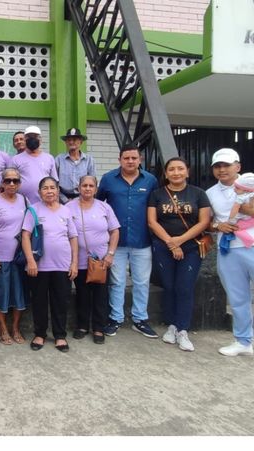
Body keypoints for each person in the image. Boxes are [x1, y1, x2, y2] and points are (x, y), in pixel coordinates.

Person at [147, 157, 211, 352]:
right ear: (166, 174)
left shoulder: (198, 194)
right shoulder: (157, 194)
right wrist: (170, 242)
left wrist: (180, 241)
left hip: (191, 248)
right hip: (163, 246)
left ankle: (183, 329)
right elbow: (152, 221)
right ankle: (171, 325)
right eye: (172, 169)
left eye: (180, 169)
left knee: (184, 287)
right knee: (169, 286)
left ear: (187, 172)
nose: (176, 173)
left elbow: (204, 222)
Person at [97, 143, 158, 338]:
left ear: (140, 160)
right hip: (116, 242)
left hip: (142, 240)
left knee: (141, 282)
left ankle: (140, 319)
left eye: (134, 158)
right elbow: (98, 205)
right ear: (120, 160)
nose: (130, 161)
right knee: (117, 282)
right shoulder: (108, 179)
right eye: (126, 158)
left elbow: (155, 206)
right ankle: (116, 318)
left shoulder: (150, 180)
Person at [206, 148, 254, 356]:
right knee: (237, 297)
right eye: (217, 166)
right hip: (228, 249)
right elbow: (207, 222)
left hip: (252, 245)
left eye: (226, 165)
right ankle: (243, 341)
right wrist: (219, 226)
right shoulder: (210, 193)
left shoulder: (251, 183)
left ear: (238, 166)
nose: (222, 170)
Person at [22, 177, 78, 351]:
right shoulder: (33, 210)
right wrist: (30, 260)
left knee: (60, 301)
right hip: (39, 266)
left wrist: (74, 263)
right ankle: (40, 334)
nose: (49, 191)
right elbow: (25, 236)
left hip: (62, 265)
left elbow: (73, 237)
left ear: (58, 190)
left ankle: (60, 336)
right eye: (45, 188)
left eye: (52, 188)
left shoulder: (66, 211)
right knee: (39, 301)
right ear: (39, 192)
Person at [67, 175, 120, 344]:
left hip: (101, 261)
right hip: (79, 260)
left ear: (96, 189)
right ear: (78, 188)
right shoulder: (69, 207)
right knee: (82, 294)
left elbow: (115, 231)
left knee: (100, 295)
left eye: (91, 186)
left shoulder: (104, 207)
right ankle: (82, 326)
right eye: (84, 185)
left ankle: (98, 328)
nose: (87, 188)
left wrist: (110, 254)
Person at [0, 167, 28, 344]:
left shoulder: (24, 200)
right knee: (0, 293)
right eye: (7, 180)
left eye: (15, 180)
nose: (11, 184)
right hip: (0, 256)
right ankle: (2, 328)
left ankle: (15, 328)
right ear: (2, 183)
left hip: (19, 257)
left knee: (19, 294)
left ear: (19, 183)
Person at [9, 126, 58, 204]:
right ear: (25, 139)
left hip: (45, 203)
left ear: (40, 140)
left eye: (35, 136)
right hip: (22, 204)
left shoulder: (49, 158)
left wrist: (56, 203)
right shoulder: (15, 159)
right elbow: (10, 182)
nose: (32, 139)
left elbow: (55, 182)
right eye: (29, 137)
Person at [55, 127, 97, 203]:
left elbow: (92, 182)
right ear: (66, 142)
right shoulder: (59, 159)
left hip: (83, 199)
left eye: (74, 139)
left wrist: (81, 199)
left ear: (81, 142)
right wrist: (65, 200)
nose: (71, 142)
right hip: (62, 200)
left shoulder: (89, 160)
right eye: (69, 140)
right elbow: (54, 182)